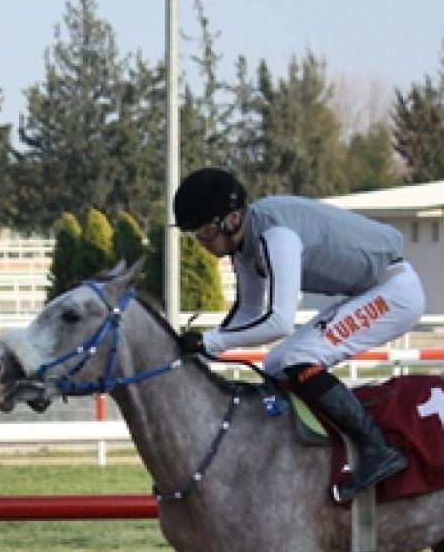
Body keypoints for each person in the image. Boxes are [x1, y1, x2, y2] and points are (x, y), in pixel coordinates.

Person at [172, 167, 426, 503]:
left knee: (296, 357)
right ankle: (302, 456)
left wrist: (209, 343)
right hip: (370, 290)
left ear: (232, 219)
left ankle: (377, 448)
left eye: (205, 232)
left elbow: (279, 322)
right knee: (276, 362)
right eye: (195, 236)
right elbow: (247, 313)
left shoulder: (275, 236)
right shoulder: (245, 246)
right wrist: (203, 343)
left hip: (394, 292)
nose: (203, 245)